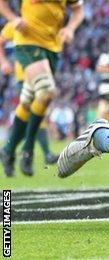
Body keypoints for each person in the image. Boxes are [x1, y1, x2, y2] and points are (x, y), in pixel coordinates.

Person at [0, 0, 84, 175]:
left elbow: (77, 10)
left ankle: (8, 151)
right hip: (27, 43)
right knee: (46, 93)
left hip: (52, 48)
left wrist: (70, 28)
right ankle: (28, 150)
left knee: (29, 103)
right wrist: (13, 18)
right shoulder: (13, 27)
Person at [0, 23, 59, 177]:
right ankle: (29, 152)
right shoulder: (16, 24)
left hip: (40, 70)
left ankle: (9, 151)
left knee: (34, 113)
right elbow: (1, 41)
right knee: (34, 112)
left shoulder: (45, 25)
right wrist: (4, 62)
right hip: (24, 75)